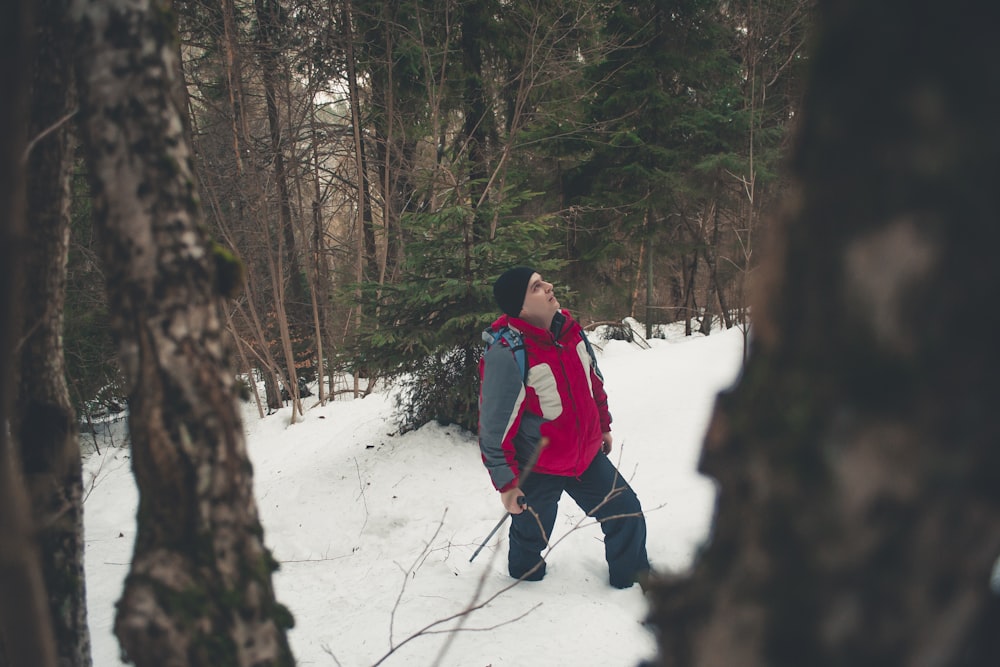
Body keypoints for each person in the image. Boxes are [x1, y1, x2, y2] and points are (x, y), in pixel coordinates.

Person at [478, 266, 650, 589]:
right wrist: (507, 485)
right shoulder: (507, 355)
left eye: (543, 281)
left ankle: (633, 584)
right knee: (529, 543)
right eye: (536, 287)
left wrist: (603, 425)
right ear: (522, 307)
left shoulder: (570, 331)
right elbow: (493, 429)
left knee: (627, 514)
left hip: (585, 457)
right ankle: (524, 588)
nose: (548, 287)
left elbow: (592, 382)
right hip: (540, 465)